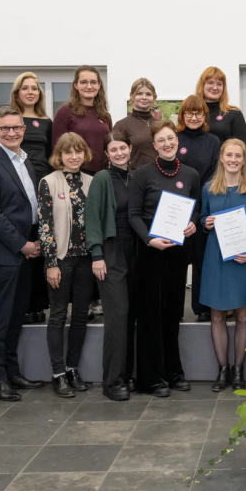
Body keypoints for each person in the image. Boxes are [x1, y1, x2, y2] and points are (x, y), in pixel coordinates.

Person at [0, 106, 46, 402]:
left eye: (16, 127)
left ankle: (13, 372)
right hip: (5, 253)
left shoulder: (26, 162)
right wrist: (21, 244)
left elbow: (29, 205)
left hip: (28, 249)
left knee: (17, 316)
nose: (12, 132)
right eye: (5, 128)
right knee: (1, 318)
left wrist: (36, 240)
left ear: (24, 130)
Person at [128, 120, 200, 397]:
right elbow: (133, 214)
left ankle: (173, 372)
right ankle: (151, 378)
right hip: (150, 253)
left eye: (171, 138)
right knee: (150, 316)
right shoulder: (142, 174)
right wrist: (149, 240)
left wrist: (193, 223)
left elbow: (196, 210)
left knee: (172, 313)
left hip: (177, 253)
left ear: (177, 141)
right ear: (154, 145)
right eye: (161, 140)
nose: (167, 144)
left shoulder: (191, 174)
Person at [200, 139, 246, 392]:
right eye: (229, 155)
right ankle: (223, 370)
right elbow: (202, 218)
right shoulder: (209, 188)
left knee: (243, 315)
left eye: (238, 156)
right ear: (221, 158)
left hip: (243, 258)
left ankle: (238, 370)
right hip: (216, 258)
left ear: (244, 159)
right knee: (217, 315)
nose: (233, 159)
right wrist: (206, 223)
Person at [0, 72, 53, 325]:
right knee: (21, 242)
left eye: (34, 88)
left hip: (42, 184)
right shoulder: (7, 121)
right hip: (16, 184)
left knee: (41, 243)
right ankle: (21, 306)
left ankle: (38, 304)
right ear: (16, 92)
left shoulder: (47, 121)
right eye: (25, 88)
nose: (30, 92)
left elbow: (51, 155)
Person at [38, 133, 96, 399]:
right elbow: (45, 225)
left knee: (81, 315)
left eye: (78, 151)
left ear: (85, 154)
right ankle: (58, 373)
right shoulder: (48, 182)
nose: (74, 156)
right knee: (59, 315)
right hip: (61, 259)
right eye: (68, 152)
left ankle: (72, 368)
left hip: (86, 259)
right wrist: (51, 263)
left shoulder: (92, 182)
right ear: (59, 156)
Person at [87, 130, 138, 400]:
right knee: (117, 317)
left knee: (131, 316)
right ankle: (112, 381)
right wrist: (97, 255)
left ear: (130, 148)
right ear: (106, 153)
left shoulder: (137, 176)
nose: (119, 153)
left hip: (137, 250)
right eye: (113, 149)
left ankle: (127, 374)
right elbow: (92, 218)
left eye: (123, 148)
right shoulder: (101, 179)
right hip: (111, 251)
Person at [177, 94, 222, 322]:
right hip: (178, 207)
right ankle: (174, 309)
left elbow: (215, 173)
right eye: (189, 113)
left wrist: (202, 200)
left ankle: (202, 307)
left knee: (202, 260)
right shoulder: (175, 139)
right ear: (182, 115)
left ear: (205, 116)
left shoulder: (213, 141)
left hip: (203, 207)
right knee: (176, 261)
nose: (194, 117)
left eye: (198, 113)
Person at [52, 65, 113, 174]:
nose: (89, 86)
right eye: (84, 82)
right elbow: (56, 147)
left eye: (93, 82)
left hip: (102, 173)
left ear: (99, 85)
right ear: (76, 85)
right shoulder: (65, 112)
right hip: (75, 173)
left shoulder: (105, 115)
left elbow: (109, 145)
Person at [112, 78, 159, 169]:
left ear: (154, 97)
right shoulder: (121, 125)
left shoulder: (160, 125)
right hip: (132, 175)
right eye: (139, 93)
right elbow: (115, 155)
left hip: (159, 174)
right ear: (132, 96)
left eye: (148, 94)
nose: (144, 97)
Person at [197, 66, 246, 145]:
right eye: (210, 83)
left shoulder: (234, 113)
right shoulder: (192, 113)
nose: (215, 88)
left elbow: (240, 147)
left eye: (219, 84)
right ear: (202, 85)